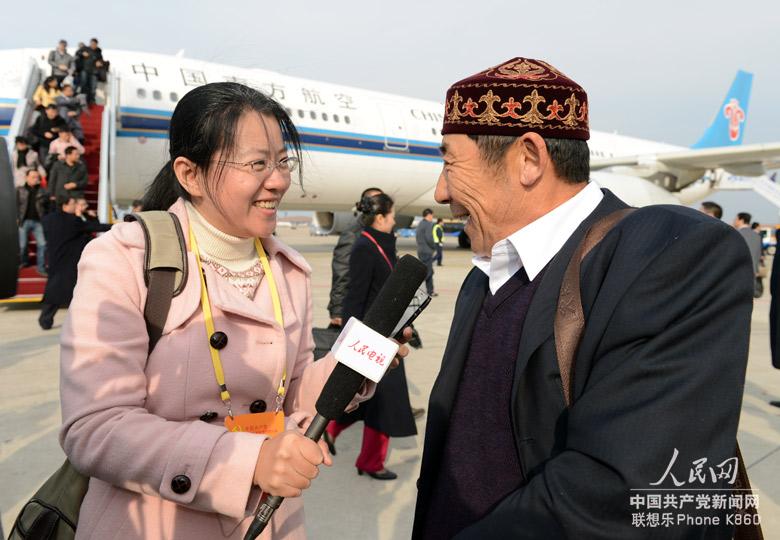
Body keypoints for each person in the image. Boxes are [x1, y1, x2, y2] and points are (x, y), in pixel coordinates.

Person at [413, 58, 753, 539]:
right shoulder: (487, 272)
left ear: (529, 159)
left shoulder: (668, 257)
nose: (441, 189)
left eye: (449, 161)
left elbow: (628, 496)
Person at [59, 82, 409, 539]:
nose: (279, 180)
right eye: (257, 163)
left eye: (283, 161)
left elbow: (294, 396)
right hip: (154, 524)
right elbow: (96, 427)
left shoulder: (288, 268)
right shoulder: (125, 258)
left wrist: (353, 365)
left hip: (267, 522)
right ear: (190, 174)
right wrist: (248, 461)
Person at [324, 193, 417, 480]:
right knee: (387, 403)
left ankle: (330, 429)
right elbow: (356, 295)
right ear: (380, 217)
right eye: (391, 215)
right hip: (373, 339)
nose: (394, 220)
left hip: (388, 334)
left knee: (371, 401)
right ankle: (370, 461)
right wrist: (354, 340)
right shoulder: (365, 246)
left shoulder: (383, 244)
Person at [39, 195, 112, 329]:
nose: (75, 206)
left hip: (55, 258)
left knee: (53, 289)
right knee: (79, 289)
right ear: (65, 205)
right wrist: (115, 226)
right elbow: (94, 227)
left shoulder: (48, 219)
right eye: (73, 203)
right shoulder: (73, 220)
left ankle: (45, 319)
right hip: (69, 260)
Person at [327, 186, 383, 326]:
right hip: (358, 308)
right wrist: (338, 310)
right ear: (365, 205)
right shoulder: (353, 234)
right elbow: (341, 273)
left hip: (377, 306)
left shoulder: (380, 232)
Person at [16, 169, 49, 275]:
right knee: (22, 245)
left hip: (38, 222)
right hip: (23, 221)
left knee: (43, 244)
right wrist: (16, 217)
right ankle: (24, 261)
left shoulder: (43, 191)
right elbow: (15, 205)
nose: (36, 179)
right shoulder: (19, 190)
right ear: (27, 177)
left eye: (37, 177)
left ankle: (41, 267)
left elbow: (47, 206)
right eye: (33, 177)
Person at [734, 212, 762, 297]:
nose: (734, 221)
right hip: (752, 274)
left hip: (737, 275)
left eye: (735, 219)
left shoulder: (736, 234)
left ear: (741, 220)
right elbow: (758, 255)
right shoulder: (757, 236)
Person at [416, 208, 436, 296]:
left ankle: (430, 291)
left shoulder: (420, 223)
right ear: (429, 215)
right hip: (427, 251)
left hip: (420, 250)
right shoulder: (429, 224)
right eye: (432, 215)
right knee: (428, 272)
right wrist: (434, 247)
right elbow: (429, 238)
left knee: (428, 271)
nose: (432, 217)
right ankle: (414, 287)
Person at [77, 38, 103, 104]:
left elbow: (101, 59)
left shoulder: (98, 51)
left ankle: (92, 100)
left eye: (94, 44)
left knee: (93, 87)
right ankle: (82, 100)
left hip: (94, 72)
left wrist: (99, 62)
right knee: (84, 85)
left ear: (96, 44)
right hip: (85, 70)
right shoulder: (85, 48)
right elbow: (77, 53)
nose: (93, 45)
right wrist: (82, 53)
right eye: (92, 43)